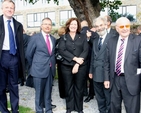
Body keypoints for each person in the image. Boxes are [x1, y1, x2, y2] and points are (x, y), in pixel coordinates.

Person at [104, 17, 141, 113]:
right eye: (122, 26)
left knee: (132, 109)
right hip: (114, 79)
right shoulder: (111, 41)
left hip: (132, 80)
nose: (125, 28)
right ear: (117, 28)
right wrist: (106, 78)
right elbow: (106, 61)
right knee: (114, 108)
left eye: (127, 26)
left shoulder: (138, 40)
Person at [58, 18, 89, 113]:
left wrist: (77, 64)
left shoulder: (82, 37)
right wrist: (75, 59)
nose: (73, 26)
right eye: (71, 24)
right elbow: (62, 50)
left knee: (79, 88)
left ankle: (79, 108)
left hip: (81, 66)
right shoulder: (64, 37)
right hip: (66, 66)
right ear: (68, 25)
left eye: (75, 24)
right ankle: (69, 108)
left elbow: (85, 50)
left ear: (78, 26)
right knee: (68, 87)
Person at [26, 17, 56, 113]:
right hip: (38, 71)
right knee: (39, 94)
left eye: (49, 24)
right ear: (41, 26)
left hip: (50, 71)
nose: (47, 26)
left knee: (48, 93)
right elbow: (28, 54)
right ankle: (39, 110)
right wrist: (35, 65)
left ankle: (48, 110)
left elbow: (52, 54)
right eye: (45, 24)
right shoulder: (35, 38)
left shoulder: (53, 39)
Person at [0, 0, 25, 113]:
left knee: (14, 86)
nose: (9, 9)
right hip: (1, 57)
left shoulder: (18, 25)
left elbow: (20, 45)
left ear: (14, 10)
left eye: (12, 8)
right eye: (7, 7)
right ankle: (4, 110)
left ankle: (15, 110)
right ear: (2, 9)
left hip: (14, 57)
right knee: (0, 87)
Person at [89, 16, 111, 113]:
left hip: (107, 75)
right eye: (97, 26)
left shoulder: (112, 39)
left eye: (101, 25)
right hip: (96, 73)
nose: (99, 28)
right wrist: (90, 71)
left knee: (109, 98)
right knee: (100, 97)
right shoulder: (95, 40)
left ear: (106, 25)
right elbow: (93, 57)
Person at [80, 20, 97, 102]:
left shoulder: (79, 34)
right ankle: (91, 94)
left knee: (82, 77)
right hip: (92, 59)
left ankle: (84, 92)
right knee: (91, 78)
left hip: (82, 59)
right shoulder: (95, 33)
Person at [56, 26, 66, 99]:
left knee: (61, 79)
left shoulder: (57, 41)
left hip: (59, 62)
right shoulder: (65, 40)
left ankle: (62, 94)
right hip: (65, 61)